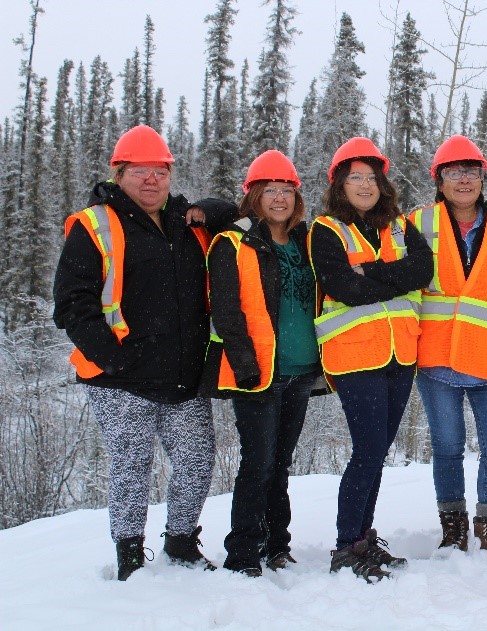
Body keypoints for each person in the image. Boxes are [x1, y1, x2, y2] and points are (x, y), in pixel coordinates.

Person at [53, 125, 225, 580]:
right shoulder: (95, 225)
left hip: (183, 372)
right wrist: (113, 357)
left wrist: (210, 210)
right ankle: (129, 556)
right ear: (120, 173)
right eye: (139, 171)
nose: (151, 180)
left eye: (159, 171)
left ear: (170, 174)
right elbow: (72, 303)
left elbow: (243, 223)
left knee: (197, 458)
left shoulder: (190, 224)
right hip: (119, 377)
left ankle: (182, 542)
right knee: (131, 466)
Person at [309, 137, 433, 582]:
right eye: (354, 177)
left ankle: (364, 537)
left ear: (383, 184)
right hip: (354, 355)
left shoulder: (398, 226)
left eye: (371, 177)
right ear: (339, 185)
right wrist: (385, 279)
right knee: (366, 451)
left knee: (377, 451)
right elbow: (345, 288)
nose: (364, 185)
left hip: (400, 354)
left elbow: (424, 269)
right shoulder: (325, 230)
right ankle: (346, 544)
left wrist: (374, 273)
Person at [200, 150, 322, 577]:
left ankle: (277, 545)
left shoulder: (307, 242)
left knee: (280, 464)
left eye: (287, 191)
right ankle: (243, 553)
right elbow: (226, 311)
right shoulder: (234, 242)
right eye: (270, 191)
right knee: (258, 463)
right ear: (252, 195)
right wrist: (245, 363)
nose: (279, 199)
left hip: (302, 371)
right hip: (259, 373)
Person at [408, 136, 487, 559]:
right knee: (447, 447)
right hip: (437, 357)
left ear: (482, 178)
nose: (464, 180)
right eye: (454, 173)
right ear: (439, 180)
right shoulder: (416, 222)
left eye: (471, 172)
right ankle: (452, 527)